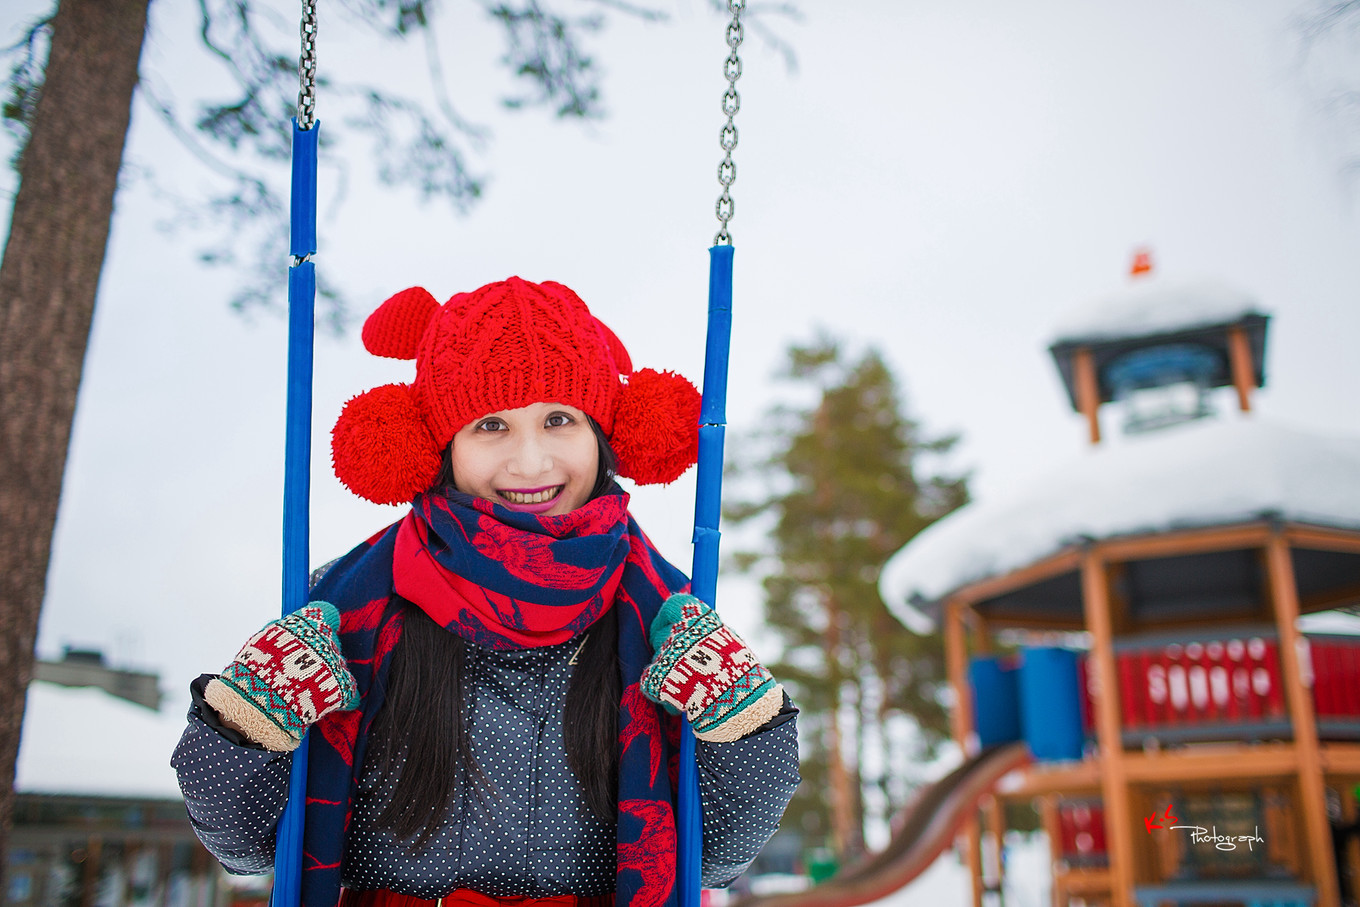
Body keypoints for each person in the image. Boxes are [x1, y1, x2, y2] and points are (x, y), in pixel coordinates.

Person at [172, 277, 800, 907]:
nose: (530, 464)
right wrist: (242, 725)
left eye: (559, 420)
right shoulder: (347, 606)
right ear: (441, 448)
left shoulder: (663, 615)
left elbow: (717, 857)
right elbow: (245, 846)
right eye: (490, 426)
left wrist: (745, 732)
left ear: (605, 433)